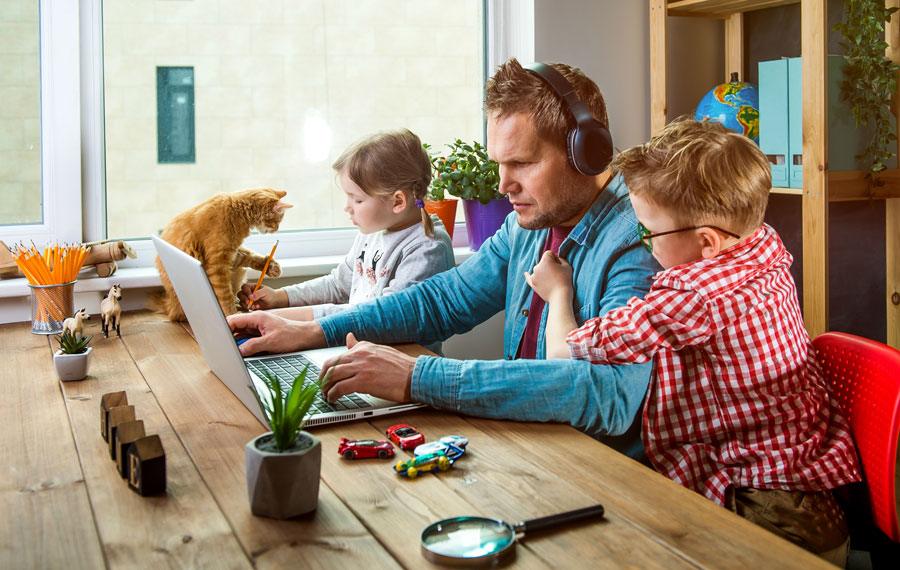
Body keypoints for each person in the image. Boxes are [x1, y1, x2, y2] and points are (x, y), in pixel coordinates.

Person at [227, 59, 660, 454]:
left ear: (586, 152)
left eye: (522, 163)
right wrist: (311, 332)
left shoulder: (641, 239)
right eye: (498, 163)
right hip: (533, 443)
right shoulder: (528, 226)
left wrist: (417, 377)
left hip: (599, 468)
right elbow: (442, 301)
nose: (503, 184)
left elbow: (609, 393)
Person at [524, 118, 861, 563]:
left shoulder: (693, 298)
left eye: (648, 232)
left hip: (775, 520)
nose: (643, 245)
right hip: (815, 495)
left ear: (706, 242)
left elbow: (564, 353)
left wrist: (559, 293)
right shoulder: (760, 243)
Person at [238, 129, 454, 324]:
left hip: (398, 359)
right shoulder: (373, 231)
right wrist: (281, 298)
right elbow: (338, 285)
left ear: (398, 202)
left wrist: (289, 318)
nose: (347, 207)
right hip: (354, 349)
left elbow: (383, 317)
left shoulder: (427, 248)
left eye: (357, 200)